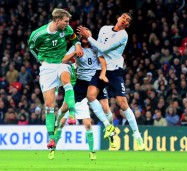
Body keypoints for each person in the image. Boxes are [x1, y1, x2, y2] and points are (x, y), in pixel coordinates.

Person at [77, 12, 145, 150]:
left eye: (127, 20)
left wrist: (88, 36)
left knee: (123, 104)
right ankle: (109, 128)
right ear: (118, 18)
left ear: (127, 25)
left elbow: (104, 48)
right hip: (100, 68)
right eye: (123, 17)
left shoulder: (123, 35)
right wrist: (79, 42)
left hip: (114, 71)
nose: (124, 20)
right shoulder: (104, 29)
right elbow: (98, 50)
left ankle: (137, 135)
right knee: (90, 97)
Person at [48, 29, 113, 160]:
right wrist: (74, 52)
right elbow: (63, 60)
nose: (83, 37)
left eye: (86, 35)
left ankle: (107, 135)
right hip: (81, 84)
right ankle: (53, 147)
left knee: (102, 110)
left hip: (94, 81)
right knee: (63, 114)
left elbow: (105, 58)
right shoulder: (75, 47)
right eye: (81, 36)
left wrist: (104, 72)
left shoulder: (96, 46)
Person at [28, 8, 84, 149]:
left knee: (66, 79)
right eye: (65, 21)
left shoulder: (66, 29)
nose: (68, 24)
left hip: (61, 62)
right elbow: (32, 47)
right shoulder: (38, 34)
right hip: (47, 68)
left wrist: (77, 44)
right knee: (49, 105)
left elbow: (74, 38)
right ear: (57, 20)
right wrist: (41, 60)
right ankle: (52, 138)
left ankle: (72, 114)